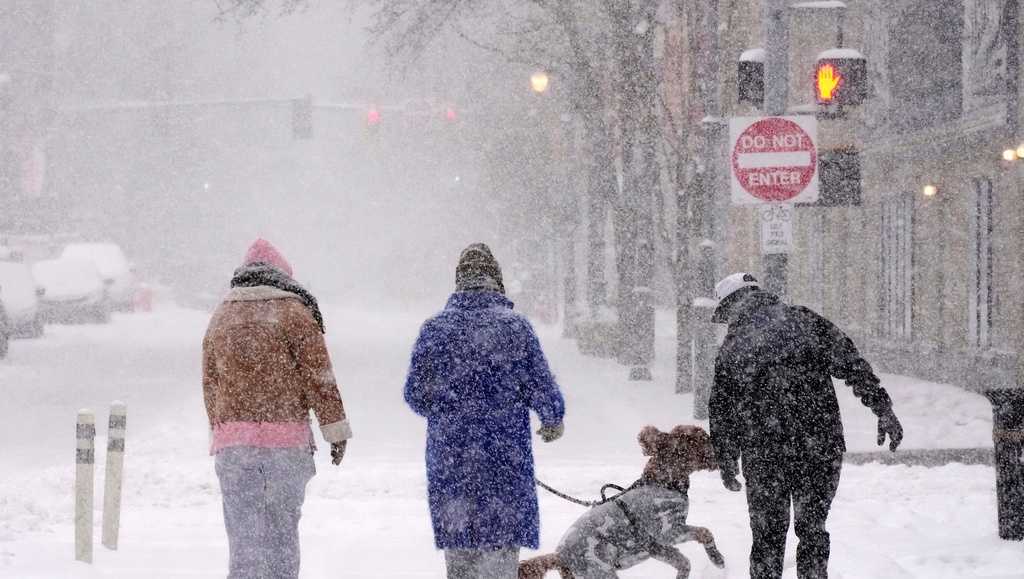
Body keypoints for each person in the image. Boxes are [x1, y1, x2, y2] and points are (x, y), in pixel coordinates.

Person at [708, 273, 903, 579]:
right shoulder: (805, 321)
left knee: (767, 538)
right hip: (820, 445)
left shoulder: (735, 344)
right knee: (813, 531)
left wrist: (727, 457)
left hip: (765, 454)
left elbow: (722, 410)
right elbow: (851, 363)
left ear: (733, 304)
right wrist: (882, 407)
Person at [404, 243, 566, 579]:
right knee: (500, 554)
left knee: (460, 556)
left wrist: (452, 409)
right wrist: (552, 418)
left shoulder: (435, 330)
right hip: (504, 459)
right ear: (496, 280)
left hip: (453, 460)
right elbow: (540, 384)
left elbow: (415, 395)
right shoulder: (515, 328)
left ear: (459, 281)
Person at [202, 238, 352, 579]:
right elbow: (320, 378)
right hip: (286, 447)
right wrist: (336, 432)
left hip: (235, 449)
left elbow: (210, 382)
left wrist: (223, 429)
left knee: (243, 546)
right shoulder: (295, 312)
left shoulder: (221, 315)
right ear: (282, 275)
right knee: (282, 539)